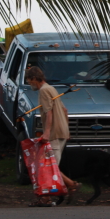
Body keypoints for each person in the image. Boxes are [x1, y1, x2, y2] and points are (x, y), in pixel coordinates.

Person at [24, 66, 79, 200]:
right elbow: (64, 110)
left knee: (49, 167)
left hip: (54, 133)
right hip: (62, 131)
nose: (29, 84)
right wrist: (67, 129)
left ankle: (47, 197)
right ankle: (70, 184)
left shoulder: (44, 91)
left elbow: (49, 112)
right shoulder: (51, 88)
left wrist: (47, 132)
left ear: (34, 78)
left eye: (29, 81)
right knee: (51, 164)